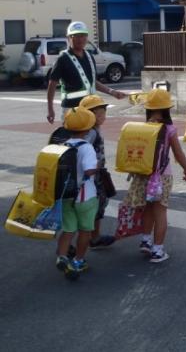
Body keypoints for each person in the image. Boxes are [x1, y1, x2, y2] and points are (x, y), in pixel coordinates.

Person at [129, 88, 186, 263]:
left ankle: (145, 241)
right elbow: (178, 153)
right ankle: (158, 250)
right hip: (162, 177)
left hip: (143, 175)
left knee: (148, 209)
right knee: (160, 212)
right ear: (167, 109)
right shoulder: (169, 129)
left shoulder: (143, 127)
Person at [46, 21, 126, 125]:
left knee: (94, 138)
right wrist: (50, 109)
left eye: (83, 35)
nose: (80, 39)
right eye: (76, 36)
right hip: (72, 109)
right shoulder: (63, 59)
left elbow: (92, 82)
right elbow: (52, 85)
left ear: (87, 37)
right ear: (69, 38)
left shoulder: (89, 56)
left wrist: (112, 92)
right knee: (73, 139)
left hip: (91, 108)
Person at [55, 107, 99, 279]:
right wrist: (97, 167)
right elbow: (89, 171)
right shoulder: (87, 147)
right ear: (87, 129)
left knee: (68, 230)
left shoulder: (63, 145)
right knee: (85, 230)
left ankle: (62, 257)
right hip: (85, 196)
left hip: (67, 195)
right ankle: (79, 260)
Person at [79, 94, 116, 247]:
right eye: (100, 113)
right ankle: (92, 238)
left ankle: (94, 237)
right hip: (92, 176)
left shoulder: (89, 129)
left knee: (98, 205)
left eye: (103, 113)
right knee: (95, 206)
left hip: (93, 174)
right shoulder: (91, 132)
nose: (103, 117)